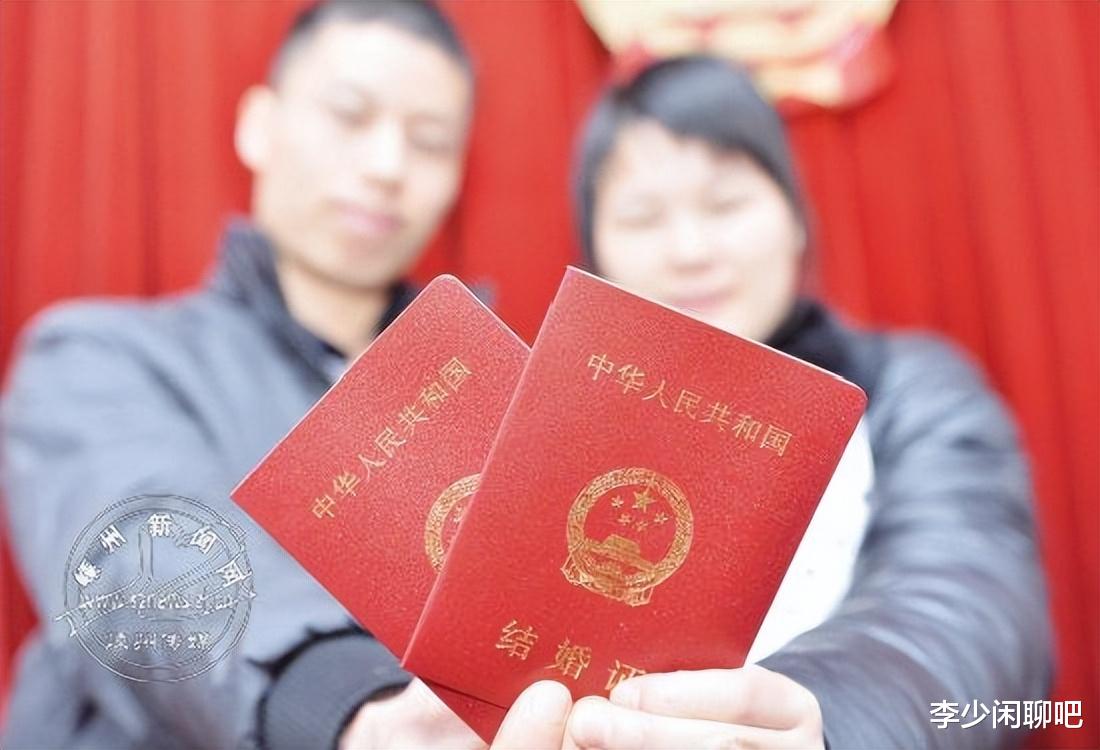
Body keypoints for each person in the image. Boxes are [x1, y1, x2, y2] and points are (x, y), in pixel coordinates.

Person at [1, 2, 570, 748]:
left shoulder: (507, 403)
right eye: (349, 115)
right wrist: (345, 706)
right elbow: (137, 564)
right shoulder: (101, 357)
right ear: (259, 126)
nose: (387, 166)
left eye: (430, 141)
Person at [560, 56, 1053, 750]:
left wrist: (816, 723)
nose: (691, 250)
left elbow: (970, 616)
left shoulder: (909, 394)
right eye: (643, 218)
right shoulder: (557, 432)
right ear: (596, 255)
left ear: (794, 216)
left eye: (726, 205)